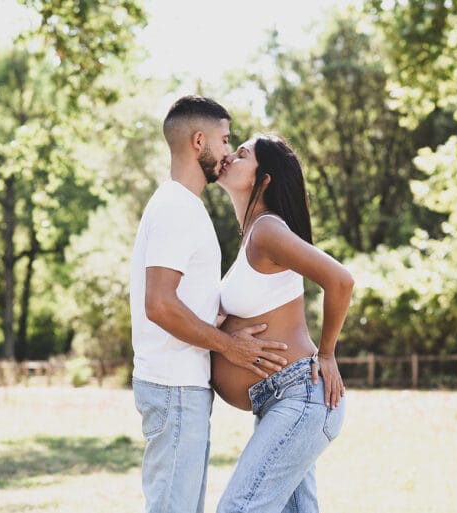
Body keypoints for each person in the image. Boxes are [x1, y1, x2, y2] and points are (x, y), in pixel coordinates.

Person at [129, 96, 289, 513]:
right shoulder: (177, 207)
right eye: (223, 140)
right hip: (174, 386)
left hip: (181, 387)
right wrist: (228, 345)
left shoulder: (182, 206)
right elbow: (159, 304)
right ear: (199, 140)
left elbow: (182, 302)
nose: (227, 152)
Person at [211, 134, 354, 513]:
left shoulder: (269, 230)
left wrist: (327, 353)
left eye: (242, 154)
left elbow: (341, 280)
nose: (229, 156)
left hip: (299, 396)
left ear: (266, 179)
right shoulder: (252, 237)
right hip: (280, 402)